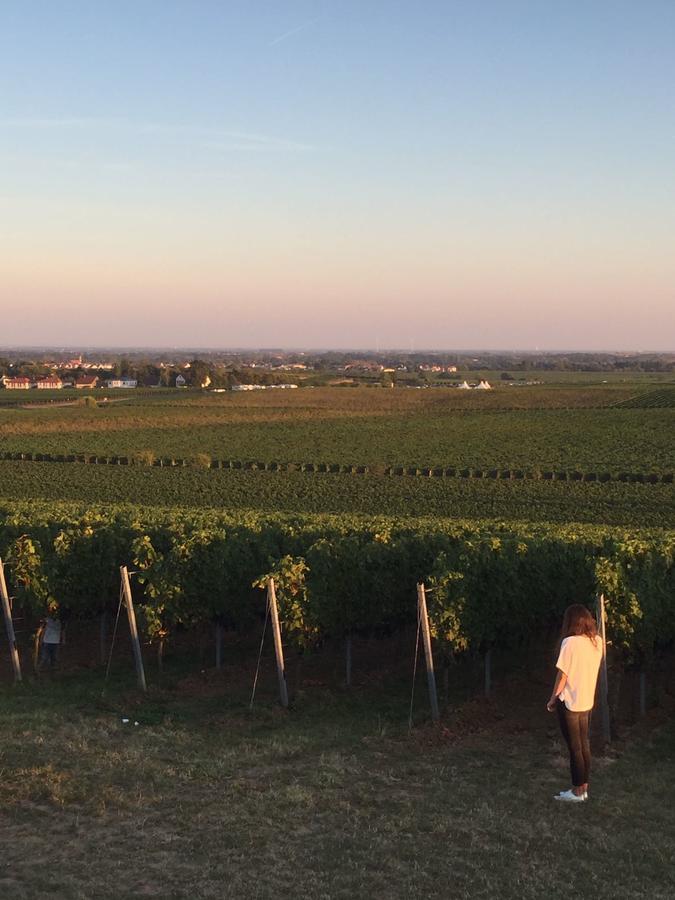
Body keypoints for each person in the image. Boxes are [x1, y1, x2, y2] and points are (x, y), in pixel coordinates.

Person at [546, 604, 603, 802]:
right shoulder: (597, 641)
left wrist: (553, 698)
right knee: (584, 744)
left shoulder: (569, 643)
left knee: (574, 748)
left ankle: (576, 791)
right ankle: (584, 787)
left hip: (569, 701)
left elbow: (563, 675)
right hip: (587, 699)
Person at [39, 605, 64, 670]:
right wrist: (41, 640)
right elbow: (43, 630)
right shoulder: (47, 620)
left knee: (54, 658)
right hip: (47, 642)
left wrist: (63, 639)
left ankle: (53, 670)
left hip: (55, 642)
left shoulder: (59, 622)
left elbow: (62, 631)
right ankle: (41, 669)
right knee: (44, 657)